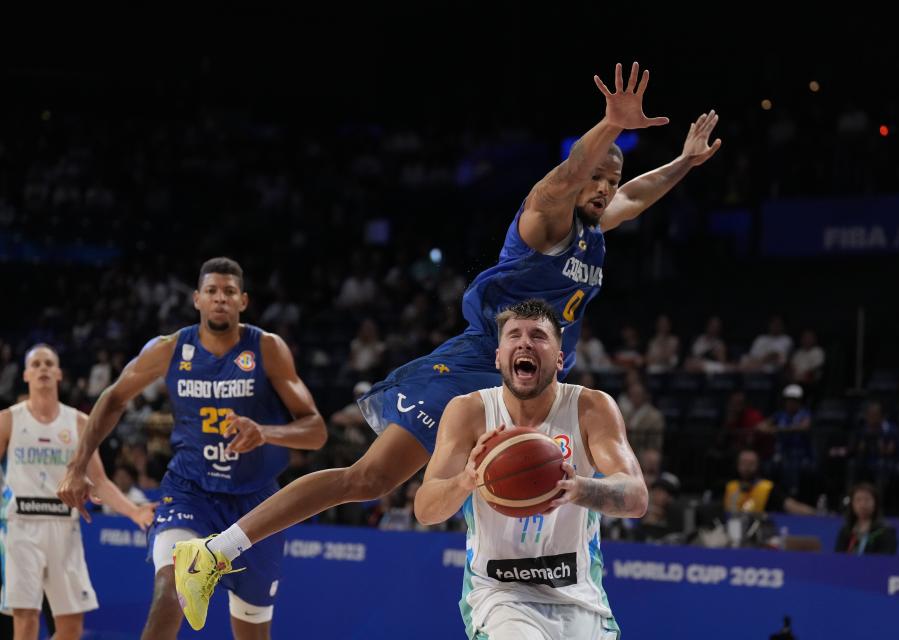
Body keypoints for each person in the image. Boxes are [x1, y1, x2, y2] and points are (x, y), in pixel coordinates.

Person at [171, 62, 719, 629]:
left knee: (406, 482)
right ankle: (213, 552)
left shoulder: (594, 228)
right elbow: (560, 180)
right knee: (367, 479)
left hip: (530, 377)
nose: (604, 189)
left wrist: (683, 162)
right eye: (596, 178)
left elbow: (635, 194)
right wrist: (609, 127)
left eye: (610, 180)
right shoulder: (543, 221)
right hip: (476, 364)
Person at [56, 257, 327, 638]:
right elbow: (114, 398)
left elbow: (316, 430)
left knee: (252, 630)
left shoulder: (267, 349)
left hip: (256, 502)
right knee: (171, 587)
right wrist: (77, 464)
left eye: (229, 292)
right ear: (197, 299)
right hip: (189, 492)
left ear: (243, 301)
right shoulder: (168, 349)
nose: (221, 299)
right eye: (213, 291)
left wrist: (267, 432)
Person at [414, 300, 647, 639]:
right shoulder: (470, 412)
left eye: (538, 335)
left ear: (559, 357)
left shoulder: (591, 408)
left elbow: (637, 498)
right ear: (498, 356)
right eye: (513, 335)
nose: (524, 342)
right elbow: (425, 509)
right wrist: (468, 479)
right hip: (500, 596)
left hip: (580, 596)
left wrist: (579, 487)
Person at [0, 344, 155, 640]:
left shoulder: (78, 422)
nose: (43, 368)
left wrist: (134, 510)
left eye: (49, 363)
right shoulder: (8, 419)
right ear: (25, 374)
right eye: (37, 364)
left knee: (72, 628)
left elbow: (99, 480)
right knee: (26, 619)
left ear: (59, 373)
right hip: (20, 527)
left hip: (64, 525)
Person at [723, 449, 814, 515]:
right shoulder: (730, 487)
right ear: (737, 465)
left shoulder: (767, 488)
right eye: (743, 463)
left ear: (758, 465)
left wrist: (816, 513)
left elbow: (791, 505)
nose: (747, 468)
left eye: (751, 464)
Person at [834, 483, 897, 555]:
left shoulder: (885, 531)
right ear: (852, 504)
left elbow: (887, 558)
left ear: (875, 503)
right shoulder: (846, 530)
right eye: (858, 500)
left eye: (867, 500)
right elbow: (838, 557)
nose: (862, 504)